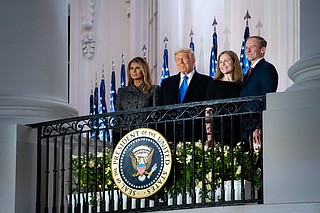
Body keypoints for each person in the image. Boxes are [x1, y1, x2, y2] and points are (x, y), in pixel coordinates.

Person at [159, 47, 212, 142]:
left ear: (193, 60)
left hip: (196, 134)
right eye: (178, 59)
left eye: (184, 58)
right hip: (171, 135)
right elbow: (161, 109)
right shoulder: (167, 83)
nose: (181, 62)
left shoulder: (207, 82)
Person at [241, 36, 278, 147]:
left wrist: (259, 126)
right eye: (246, 47)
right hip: (245, 126)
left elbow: (267, 98)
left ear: (262, 50)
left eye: (252, 47)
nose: (247, 51)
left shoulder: (266, 68)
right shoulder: (248, 72)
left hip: (256, 128)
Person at [205, 50, 243, 147]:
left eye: (226, 61)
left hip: (238, 129)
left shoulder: (241, 85)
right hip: (219, 129)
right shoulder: (213, 84)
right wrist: (209, 134)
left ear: (234, 63)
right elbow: (208, 109)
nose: (223, 64)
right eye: (221, 62)